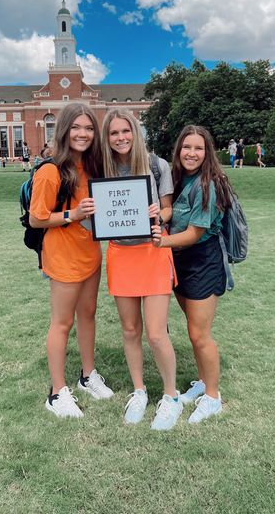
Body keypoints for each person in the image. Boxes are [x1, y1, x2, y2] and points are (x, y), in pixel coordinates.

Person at [29, 103, 113, 418]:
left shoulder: (92, 167)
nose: (83, 133)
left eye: (89, 128)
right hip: (63, 256)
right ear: (64, 130)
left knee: (88, 315)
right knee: (62, 323)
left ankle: (87, 376)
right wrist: (71, 215)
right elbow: (37, 218)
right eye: (76, 127)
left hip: (90, 252)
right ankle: (56, 392)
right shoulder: (51, 170)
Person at [101, 109, 183, 431]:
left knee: (156, 333)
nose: (120, 138)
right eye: (114, 133)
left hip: (152, 252)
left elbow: (168, 208)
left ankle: (171, 396)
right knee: (131, 330)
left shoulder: (155, 164)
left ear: (136, 132)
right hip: (121, 253)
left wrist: (159, 215)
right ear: (107, 138)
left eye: (126, 131)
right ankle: (139, 391)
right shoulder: (103, 167)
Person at [151, 125, 233, 424]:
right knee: (192, 328)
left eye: (198, 148)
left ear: (207, 152)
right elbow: (168, 209)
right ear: (178, 150)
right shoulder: (177, 177)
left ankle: (213, 397)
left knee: (200, 334)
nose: (192, 153)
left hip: (203, 260)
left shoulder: (209, 183)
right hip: (180, 262)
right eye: (187, 147)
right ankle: (201, 381)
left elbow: (195, 233)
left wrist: (162, 241)